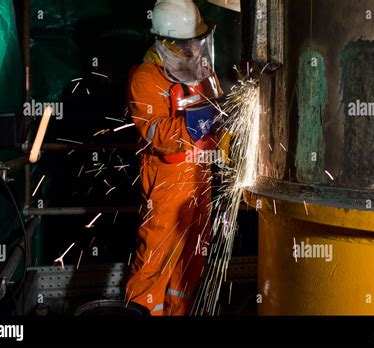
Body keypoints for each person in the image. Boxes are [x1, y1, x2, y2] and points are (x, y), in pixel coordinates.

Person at [125, 0, 223, 316]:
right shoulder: (146, 77)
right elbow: (159, 136)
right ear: (166, 42)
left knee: (191, 261)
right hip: (166, 189)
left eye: (196, 41)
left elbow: (222, 123)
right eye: (186, 43)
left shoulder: (203, 72)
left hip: (200, 182)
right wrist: (202, 120)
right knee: (153, 262)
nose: (194, 49)